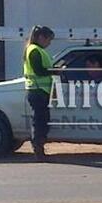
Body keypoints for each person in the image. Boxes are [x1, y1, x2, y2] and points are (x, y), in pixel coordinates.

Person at [23, 25, 58, 161]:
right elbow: (39, 71)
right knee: (39, 122)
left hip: (40, 91)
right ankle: (38, 150)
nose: (49, 43)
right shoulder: (34, 51)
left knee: (42, 121)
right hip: (37, 91)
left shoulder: (38, 50)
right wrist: (55, 71)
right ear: (41, 37)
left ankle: (39, 148)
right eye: (48, 39)